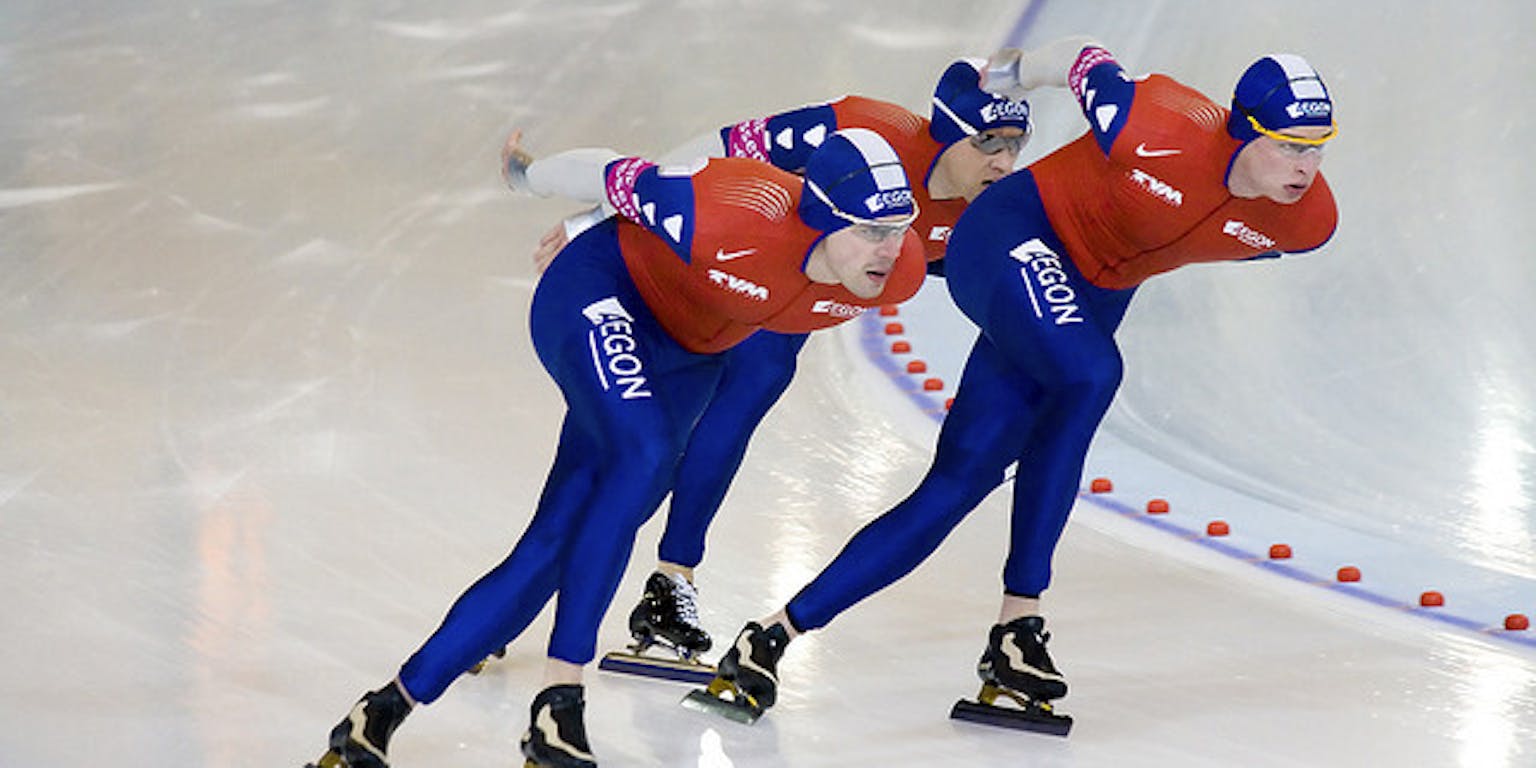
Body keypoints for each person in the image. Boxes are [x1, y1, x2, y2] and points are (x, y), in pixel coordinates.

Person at [701, 38, 1340, 723]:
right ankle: (1022, 617)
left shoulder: (1307, 223)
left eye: (1318, 148)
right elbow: (1081, 60)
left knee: (962, 480)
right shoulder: (1153, 121)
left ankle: (771, 635)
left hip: (1089, 291)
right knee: (1093, 374)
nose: (1306, 166)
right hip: (1010, 238)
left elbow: (1190, 233)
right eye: (1290, 146)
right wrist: (1005, 72)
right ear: (1245, 130)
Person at [304, 127, 926, 768]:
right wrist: (531, 176)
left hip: (689, 356)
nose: (889, 248)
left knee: (554, 547)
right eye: (869, 231)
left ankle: (379, 714)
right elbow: (612, 173)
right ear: (822, 219)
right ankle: (560, 698)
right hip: (601, 293)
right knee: (646, 455)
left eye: (898, 228)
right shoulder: (728, 212)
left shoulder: (899, 269)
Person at [523, 58, 1033, 664]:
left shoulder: (987, 204)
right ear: (948, 133)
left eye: (1015, 146)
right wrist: (604, 215)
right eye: (988, 143)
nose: (1004, 161)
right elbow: (711, 155)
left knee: (753, 383)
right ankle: (609, 587)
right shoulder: (866, 129)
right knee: (687, 424)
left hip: (804, 295)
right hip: (743, 263)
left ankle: (666, 579)